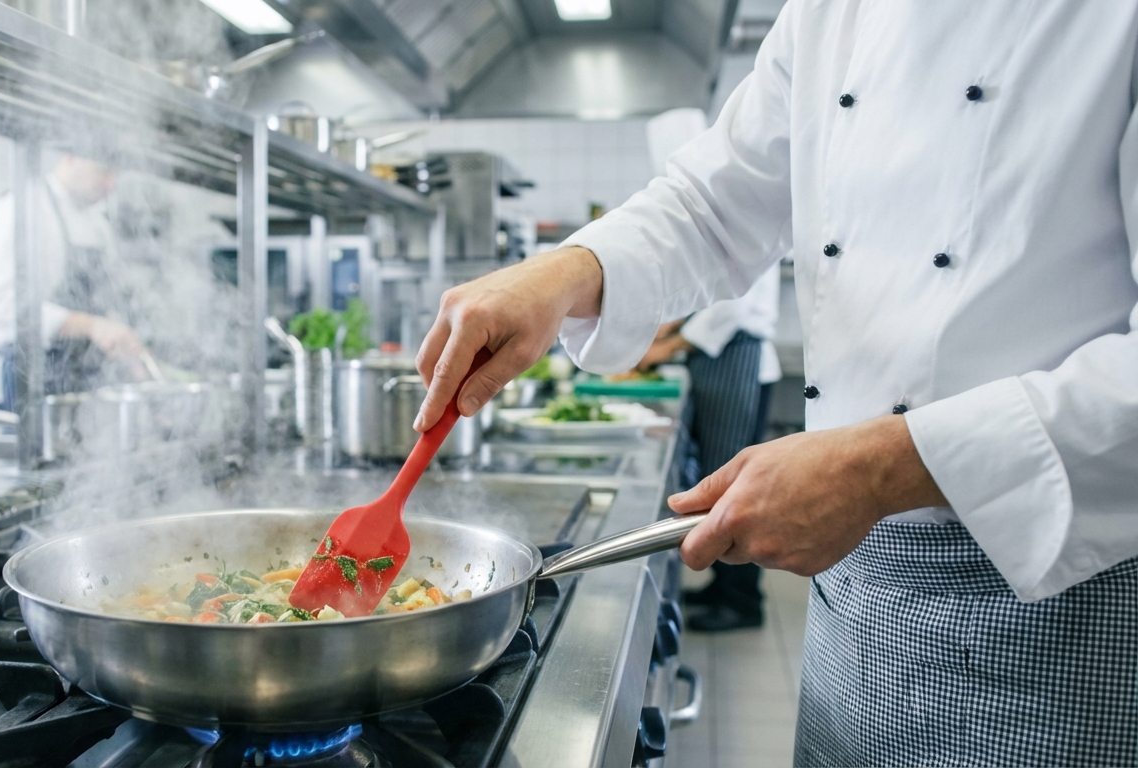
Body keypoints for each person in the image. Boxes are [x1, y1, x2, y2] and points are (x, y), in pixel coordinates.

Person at [410, 3, 1138, 765]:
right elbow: (712, 203)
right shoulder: (827, 11)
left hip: (1056, 601)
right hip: (849, 594)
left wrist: (882, 467)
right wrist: (566, 270)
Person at [636, 265, 782, 632]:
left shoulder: (752, 224)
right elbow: (709, 294)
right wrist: (668, 327)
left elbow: (728, 313)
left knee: (732, 488)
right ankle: (723, 586)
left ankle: (741, 601)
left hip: (736, 358)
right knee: (716, 479)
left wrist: (664, 348)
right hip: (720, 361)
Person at [0, 153, 145, 409]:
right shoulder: (19, 210)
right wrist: (92, 326)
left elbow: (106, 303)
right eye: (103, 171)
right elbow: (1, 309)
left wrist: (127, 352)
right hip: (25, 383)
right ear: (69, 157)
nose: (111, 184)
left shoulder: (98, 226)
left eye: (116, 175)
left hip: (80, 383)